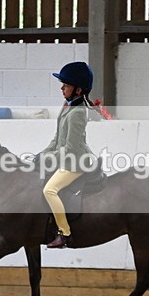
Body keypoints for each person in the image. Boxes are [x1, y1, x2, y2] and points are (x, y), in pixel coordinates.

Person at [38, 61, 102, 248]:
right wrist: (42, 153)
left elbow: (71, 148)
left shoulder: (77, 113)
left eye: (66, 85)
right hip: (65, 157)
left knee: (49, 190)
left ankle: (64, 234)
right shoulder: (67, 106)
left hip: (76, 161)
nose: (62, 88)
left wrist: (49, 158)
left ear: (78, 90)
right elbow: (58, 138)